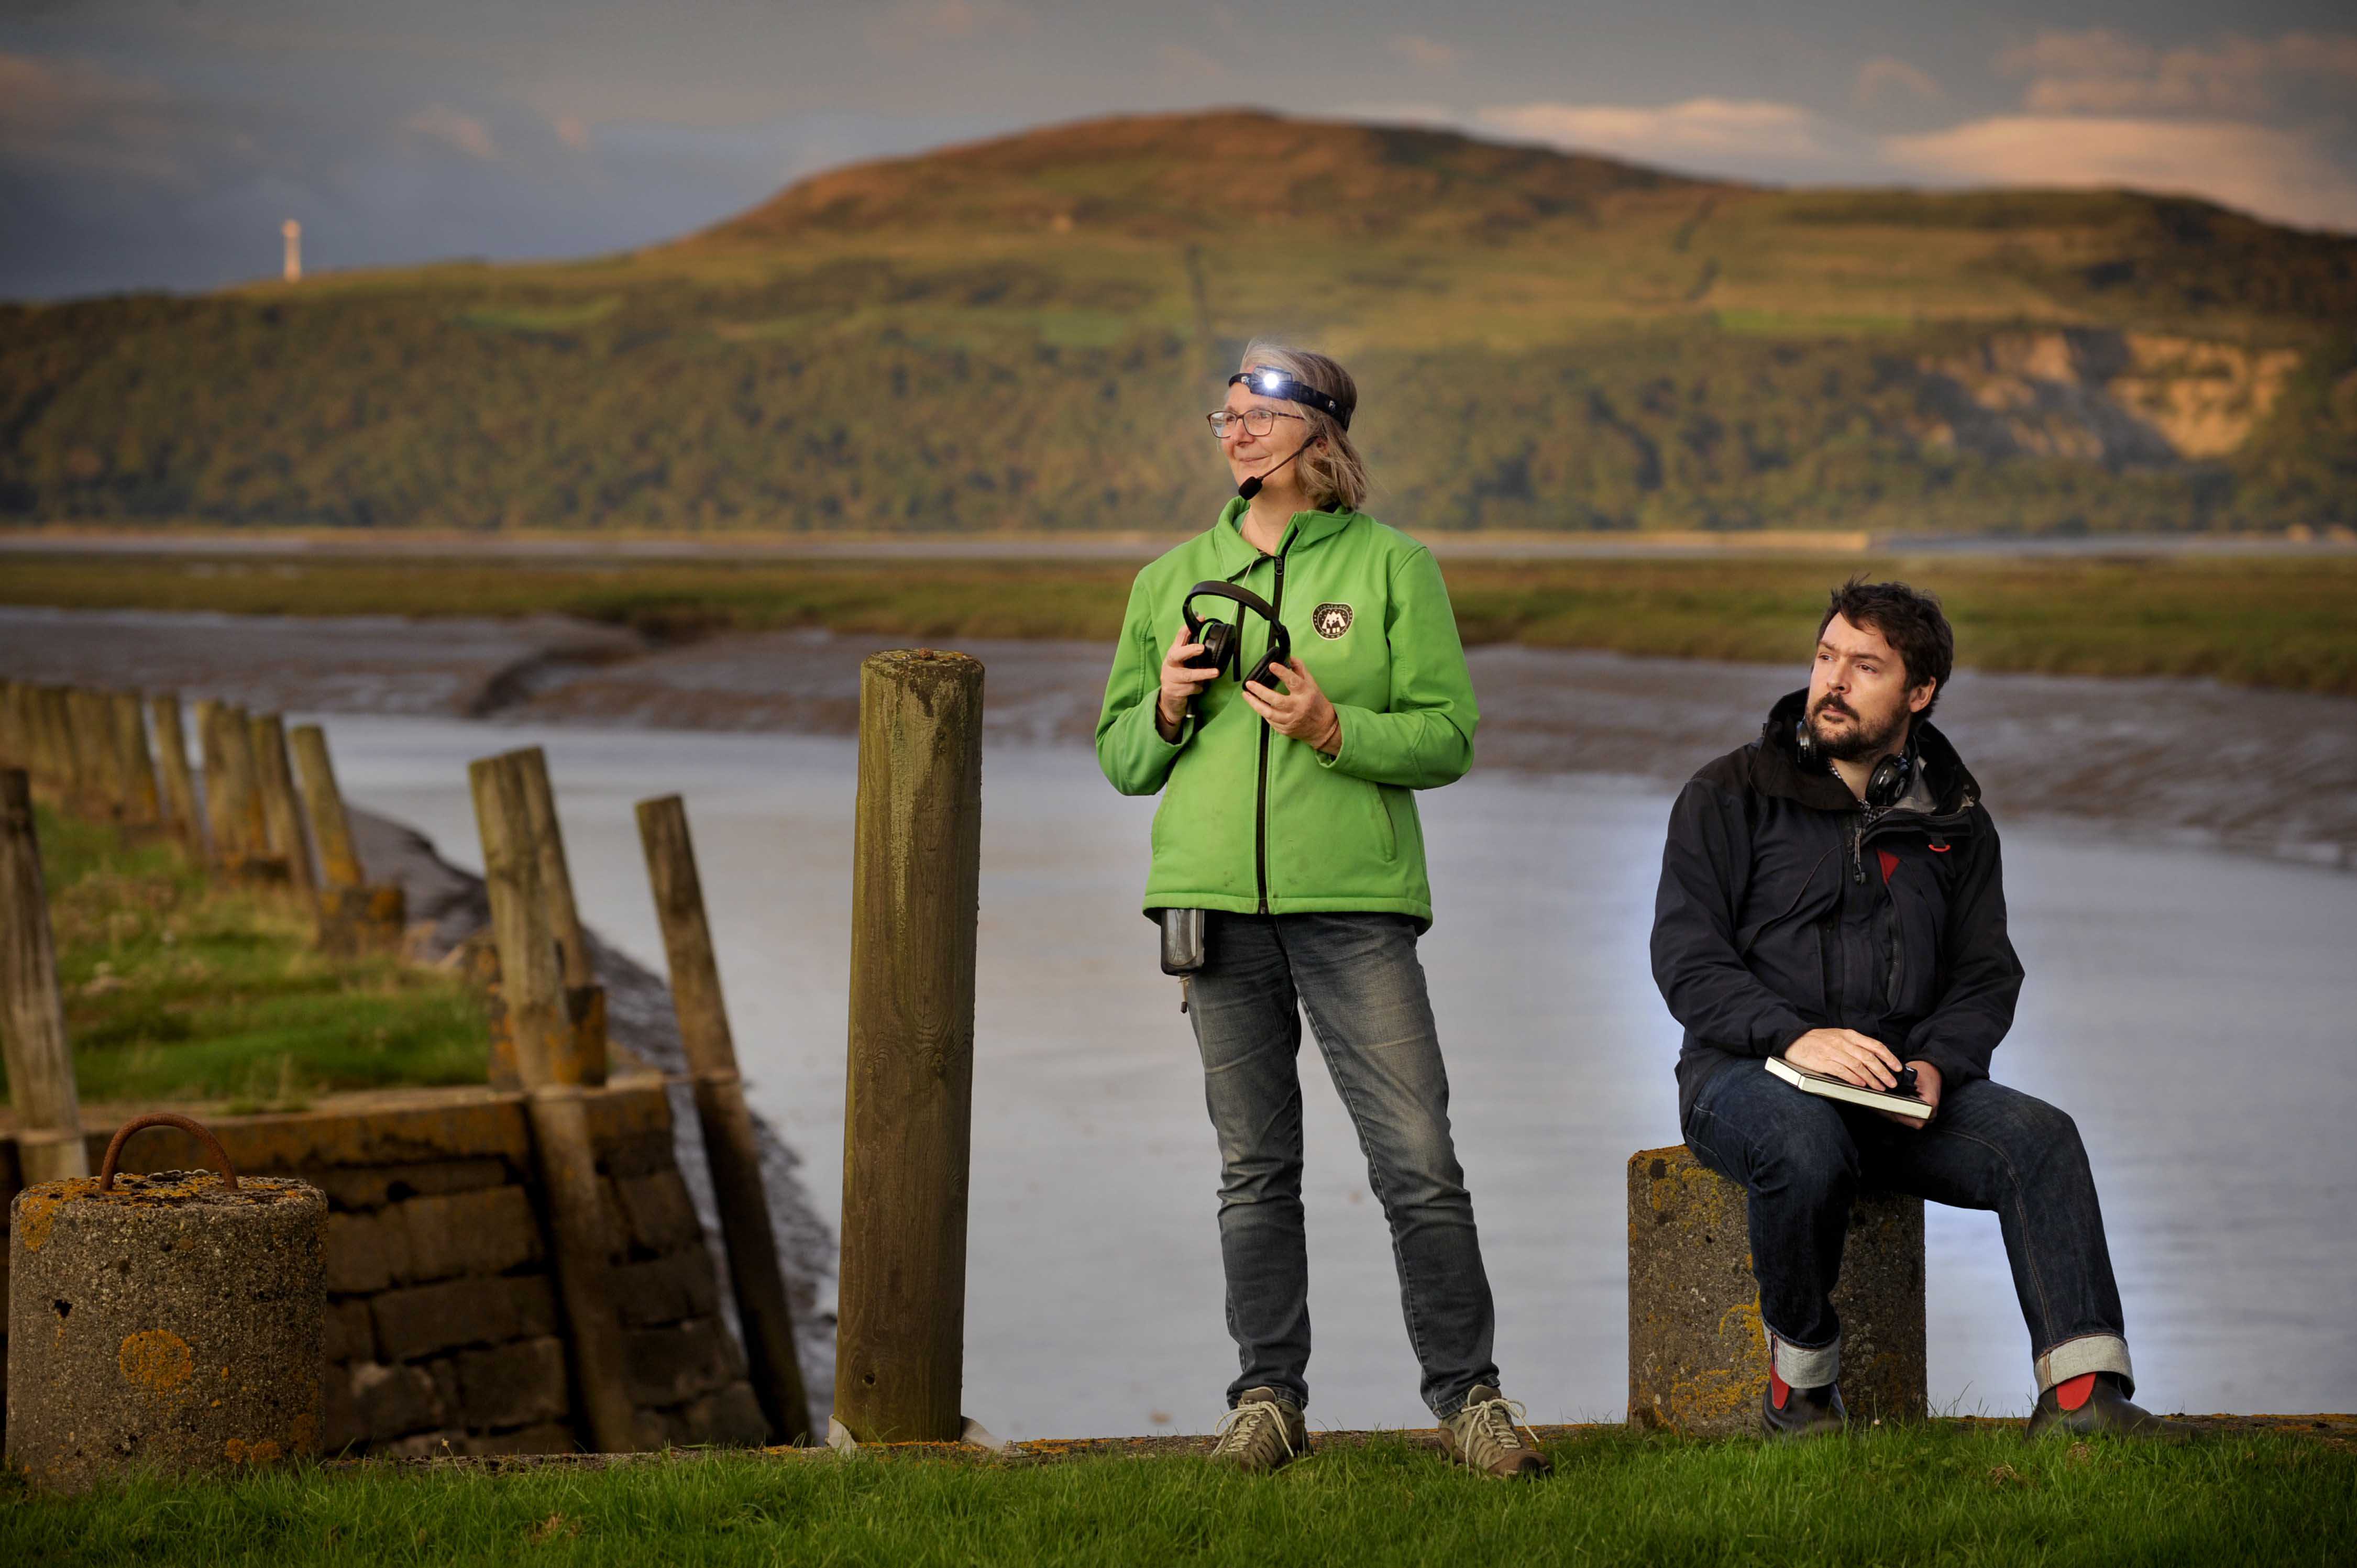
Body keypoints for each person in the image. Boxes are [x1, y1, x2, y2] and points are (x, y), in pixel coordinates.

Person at [1094, 343, 1546, 1477]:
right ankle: (1266, 1402)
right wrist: (1164, 703)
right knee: (1254, 1168)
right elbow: (1120, 760)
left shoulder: (1396, 568)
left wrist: (1333, 730)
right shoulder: (1168, 580)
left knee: (1418, 1158)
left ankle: (1471, 1403)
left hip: (1355, 908)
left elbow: (1447, 737)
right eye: (1226, 416)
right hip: (1210, 907)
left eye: (1257, 416)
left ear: (1320, 435)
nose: (1235, 433)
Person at [1649, 579, 2189, 1440]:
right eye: (1827, 656)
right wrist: (1797, 1037)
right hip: (1742, 1075)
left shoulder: (1958, 824)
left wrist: (1940, 1061)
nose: (1834, 680)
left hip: (1899, 1090)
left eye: (1866, 666)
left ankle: (2085, 1403)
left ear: (1920, 692)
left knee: (2041, 1140)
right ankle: (1802, 1395)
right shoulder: (1728, 795)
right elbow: (1687, 959)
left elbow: (1985, 974)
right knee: (1802, 1142)